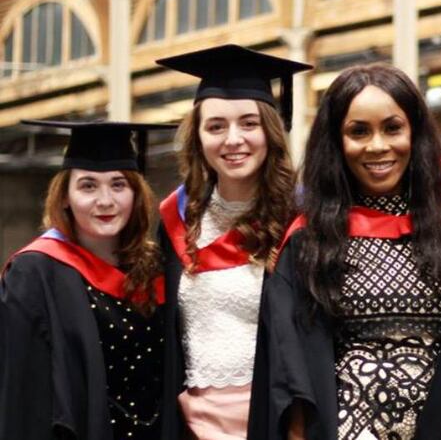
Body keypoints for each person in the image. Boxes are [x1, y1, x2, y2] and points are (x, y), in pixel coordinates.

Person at [248, 63, 441, 440]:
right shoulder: (310, 239)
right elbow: (290, 368)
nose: (377, 146)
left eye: (392, 128)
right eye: (358, 131)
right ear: (336, 142)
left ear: (415, 132)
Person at [155, 45, 311, 439]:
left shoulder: (303, 218)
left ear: (271, 132)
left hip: (275, 417)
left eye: (248, 123)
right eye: (216, 126)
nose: (233, 139)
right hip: (193, 424)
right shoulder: (176, 219)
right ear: (198, 136)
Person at [0, 120, 174, 440]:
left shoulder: (156, 268)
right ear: (65, 196)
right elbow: (22, 395)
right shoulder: (36, 273)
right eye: (88, 186)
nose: (105, 200)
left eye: (119, 184)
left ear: (136, 195)